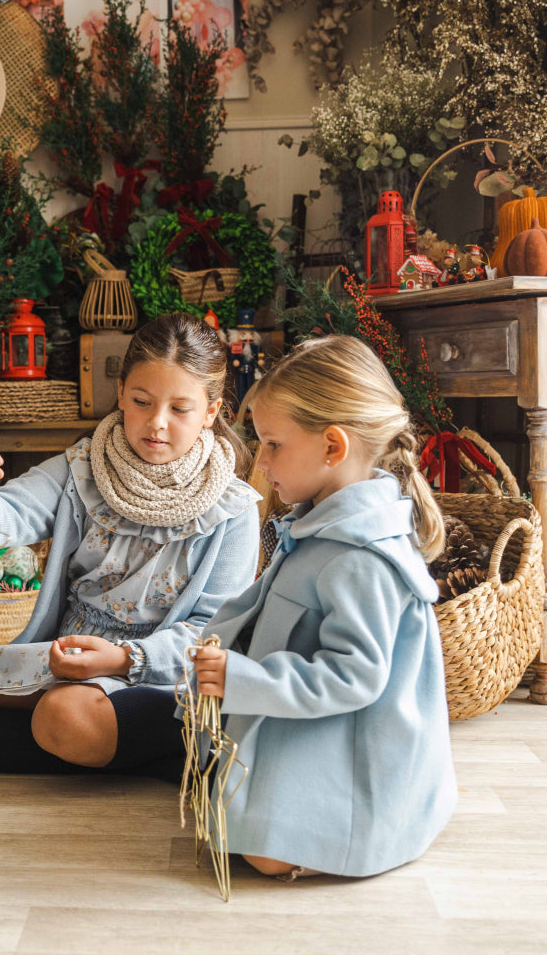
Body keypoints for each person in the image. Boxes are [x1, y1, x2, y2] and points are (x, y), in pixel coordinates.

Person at [0, 312, 261, 780]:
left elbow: (214, 633)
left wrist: (125, 660)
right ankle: (102, 750)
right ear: (120, 393)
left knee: (65, 713)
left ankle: (88, 735)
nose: (156, 424)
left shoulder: (232, 509)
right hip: (68, 654)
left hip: (160, 673)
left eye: (180, 409)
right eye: (142, 401)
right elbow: (0, 523)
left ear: (212, 412)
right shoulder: (83, 467)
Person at [192, 335, 456, 879]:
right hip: (316, 723)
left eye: (272, 444)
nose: (260, 463)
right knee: (233, 819)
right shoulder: (322, 523)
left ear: (332, 447)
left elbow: (354, 677)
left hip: (361, 744)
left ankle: (365, 831)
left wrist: (243, 677)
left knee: (262, 855)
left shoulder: (360, 557)